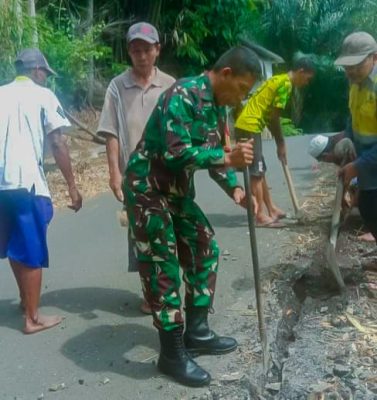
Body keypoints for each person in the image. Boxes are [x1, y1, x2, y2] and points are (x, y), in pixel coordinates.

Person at [123, 46, 261, 387]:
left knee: (205, 246)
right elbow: (176, 153)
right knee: (163, 264)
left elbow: (216, 152)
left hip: (175, 191)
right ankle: (170, 353)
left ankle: (197, 332)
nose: (241, 98)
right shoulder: (183, 95)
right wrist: (227, 160)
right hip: (147, 188)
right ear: (226, 74)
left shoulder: (218, 108)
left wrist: (236, 190)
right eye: (242, 89)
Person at [0, 48, 82, 334]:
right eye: (45, 74)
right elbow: (58, 142)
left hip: (1, 185)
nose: (46, 79)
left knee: (13, 243)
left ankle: (26, 300)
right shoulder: (43, 95)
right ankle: (32, 318)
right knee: (32, 250)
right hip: (25, 183)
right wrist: (72, 186)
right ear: (36, 71)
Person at [97, 22, 175, 314]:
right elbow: (111, 131)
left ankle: (168, 289)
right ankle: (150, 292)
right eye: (135, 50)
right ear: (129, 52)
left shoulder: (170, 84)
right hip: (134, 176)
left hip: (168, 174)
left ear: (157, 50)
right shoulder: (117, 87)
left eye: (146, 49)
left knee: (169, 231)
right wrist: (114, 174)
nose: (141, 55)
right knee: (140, 237)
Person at [234, 58, 316, 226]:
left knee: (260, 169)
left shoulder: (277, 79)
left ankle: (272, 209)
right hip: (250, 125)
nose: (307, 83)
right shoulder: (285, 85)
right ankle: (260, 216)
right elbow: (274, 118)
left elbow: (270, 116)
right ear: (301, 71)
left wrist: (280, 143)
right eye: (307, 78)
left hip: (248, 124)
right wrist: (281, 144)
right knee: (256, 173)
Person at [334, 31, 377, 244]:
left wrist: (358, 166)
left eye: (357, 65)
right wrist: (347, 137)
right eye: (347, 66)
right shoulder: (355, 83)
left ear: (374, 58)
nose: (351, 71)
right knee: (370, 209)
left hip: (372, 158)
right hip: (368, 160)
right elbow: (354, 116)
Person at [308, 133, 375, 241]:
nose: (325, 162)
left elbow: (365, 173)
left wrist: (359, 195)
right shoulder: (339, 148)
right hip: (369, 167)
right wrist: (342, 198)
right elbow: (346, 175)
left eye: (322, 160)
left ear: (325, 155)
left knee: (367, 199)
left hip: (372, 167)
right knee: (359, 196)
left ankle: (373, 232)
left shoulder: (342, 149)